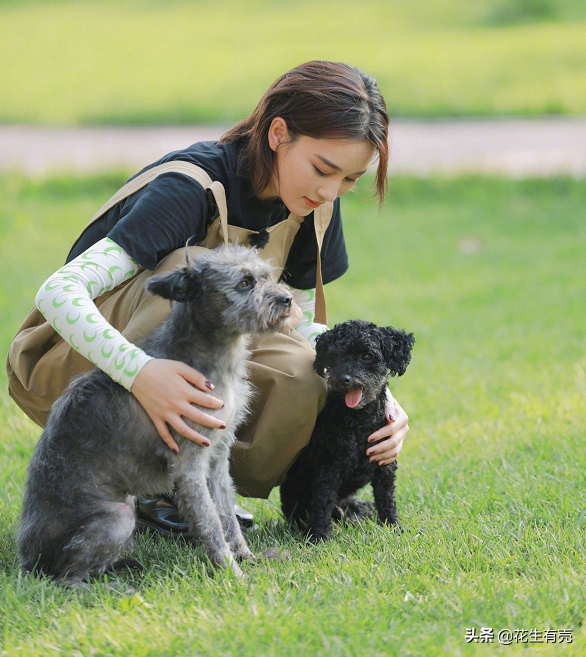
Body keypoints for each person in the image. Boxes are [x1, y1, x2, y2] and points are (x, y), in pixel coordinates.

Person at [14, 60, 409, 536]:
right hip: (74, 363)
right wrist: (140, 373)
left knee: (303, 370)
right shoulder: (191, 185)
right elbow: (59, 292)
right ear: (279, 133)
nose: (331, 191)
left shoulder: (313, 204)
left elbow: (300, 327)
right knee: (191, 284)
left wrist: (379, 397)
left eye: (349, 180)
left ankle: (188, 488)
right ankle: (156, 486)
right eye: (323, 170)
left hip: (185, 361)